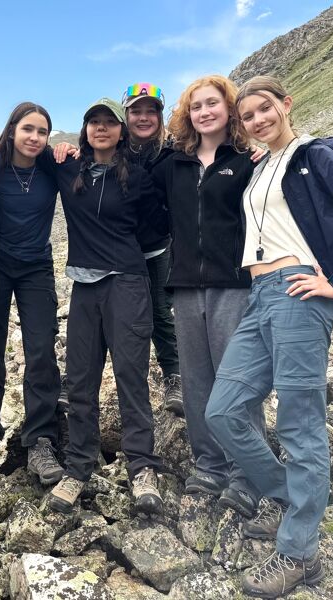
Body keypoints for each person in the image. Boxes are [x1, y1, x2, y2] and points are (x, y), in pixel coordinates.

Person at [205, 75, 333, 598]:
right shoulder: (261, 165)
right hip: (260, 296)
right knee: (223, 410)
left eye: (265, 109)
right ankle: (291, 498)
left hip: (300, 293)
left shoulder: (314, 155)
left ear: (286, 105)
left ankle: (300, 554)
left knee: (299, 424)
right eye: (247, 116)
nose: (257, 120)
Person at [150, 75, 266, 519]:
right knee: (197, 379)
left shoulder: (247, 161)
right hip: (184, 286)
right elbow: (136, 185)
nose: (204, 112)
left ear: (229, 108)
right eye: (196, 106)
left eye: (212, 103)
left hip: (233, 284)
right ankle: (209, 465)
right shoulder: (173, 165)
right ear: (187, 115)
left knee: (235, 379)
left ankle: (247, 473)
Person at [45, 98, 165, 515]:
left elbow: (156, 227)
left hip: (127, 283)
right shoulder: (67, 168)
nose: (101, 128)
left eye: (109, 122)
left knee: (131, 376)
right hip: (84, 286)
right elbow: (19, 156)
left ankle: (142, 467)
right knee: (80, 380)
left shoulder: (139, 177)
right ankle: (78, 467)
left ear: (121, 131)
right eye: (93, 122)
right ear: (85, 130)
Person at [0, 103, 64, 485]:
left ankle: (40, 441)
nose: (34, 137)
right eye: (28, 129)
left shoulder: (51, 167)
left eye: (42, 131)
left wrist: (70, 149)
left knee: (41, 351)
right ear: (13, 130)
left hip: (36, 268)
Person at [121, 83, 182, 414]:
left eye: (151, 111)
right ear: (126, 115)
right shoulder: (113, 148)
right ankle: (80, 380)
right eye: (136, 111)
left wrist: (252, 152)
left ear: (160, 116)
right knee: (112, 316)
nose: (143, 117)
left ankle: (174, 376)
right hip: (119, 251)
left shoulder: (174, 150)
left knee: (160, 312)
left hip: (158, 248)